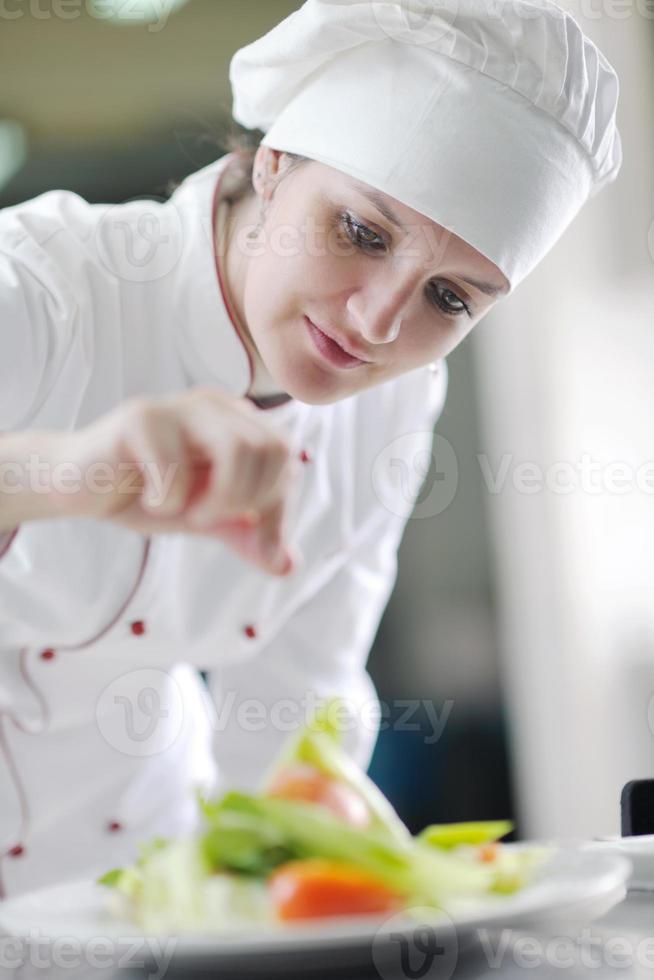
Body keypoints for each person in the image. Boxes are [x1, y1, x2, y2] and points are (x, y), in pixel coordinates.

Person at [0, 0, 621, 899]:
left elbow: (296, 709)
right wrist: (59, 475)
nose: (379, 323)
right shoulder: (42, 291)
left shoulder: (395, 398)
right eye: (361, 233)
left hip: (130, 899)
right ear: (274, 162)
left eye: (450, 299)